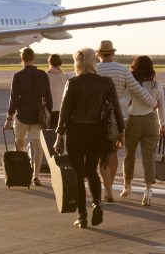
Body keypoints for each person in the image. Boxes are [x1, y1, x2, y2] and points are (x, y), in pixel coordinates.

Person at [53, 47, 124, 228]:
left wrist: (59, 136)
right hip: (98, 133)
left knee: (77, 174)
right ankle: (97, 203)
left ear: (78, 63)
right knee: (92, 170)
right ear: (94, 61)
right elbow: (116, 108)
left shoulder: (73, 83)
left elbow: (65, 112)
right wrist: (121, 132)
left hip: (76, 132)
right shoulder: (106, 82)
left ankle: (82, 216)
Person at [95, 40, 156, 202]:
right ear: (113, 53)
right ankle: (110, 188)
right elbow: (136, 88)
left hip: (97, 117)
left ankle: (106, 188)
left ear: (98, 54)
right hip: (117, 118)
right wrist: (152, 102)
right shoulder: (122, 69)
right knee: (113, 154)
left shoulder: (94, 69)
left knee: (101, 156)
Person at [3, 47, 53, 186]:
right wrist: (48, 116)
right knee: (38, 147)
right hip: (38, 117)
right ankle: (36, 176)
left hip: (22, 116)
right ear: (33, 58)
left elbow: (14, 99)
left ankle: (19, 172)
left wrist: (9, 119)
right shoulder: (43, 75)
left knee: (19, 146)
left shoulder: (18, 76)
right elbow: (48, 99)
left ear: (22, 59)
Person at [122, 55, 165, 206]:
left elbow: (124, 102)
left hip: (134, 121)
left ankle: (127, 185)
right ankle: (148, 191)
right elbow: (161, 107)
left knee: (130, 155)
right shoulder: (157, 85)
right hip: (151, 122)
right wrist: (163, 125)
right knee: (149, 158)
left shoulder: (133, 85)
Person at [46, 53, 71, 128]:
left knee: (49, 134)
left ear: (50, 63)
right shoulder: (66, 76)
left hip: (49, 109)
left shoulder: (45, 76)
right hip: (62, 108)